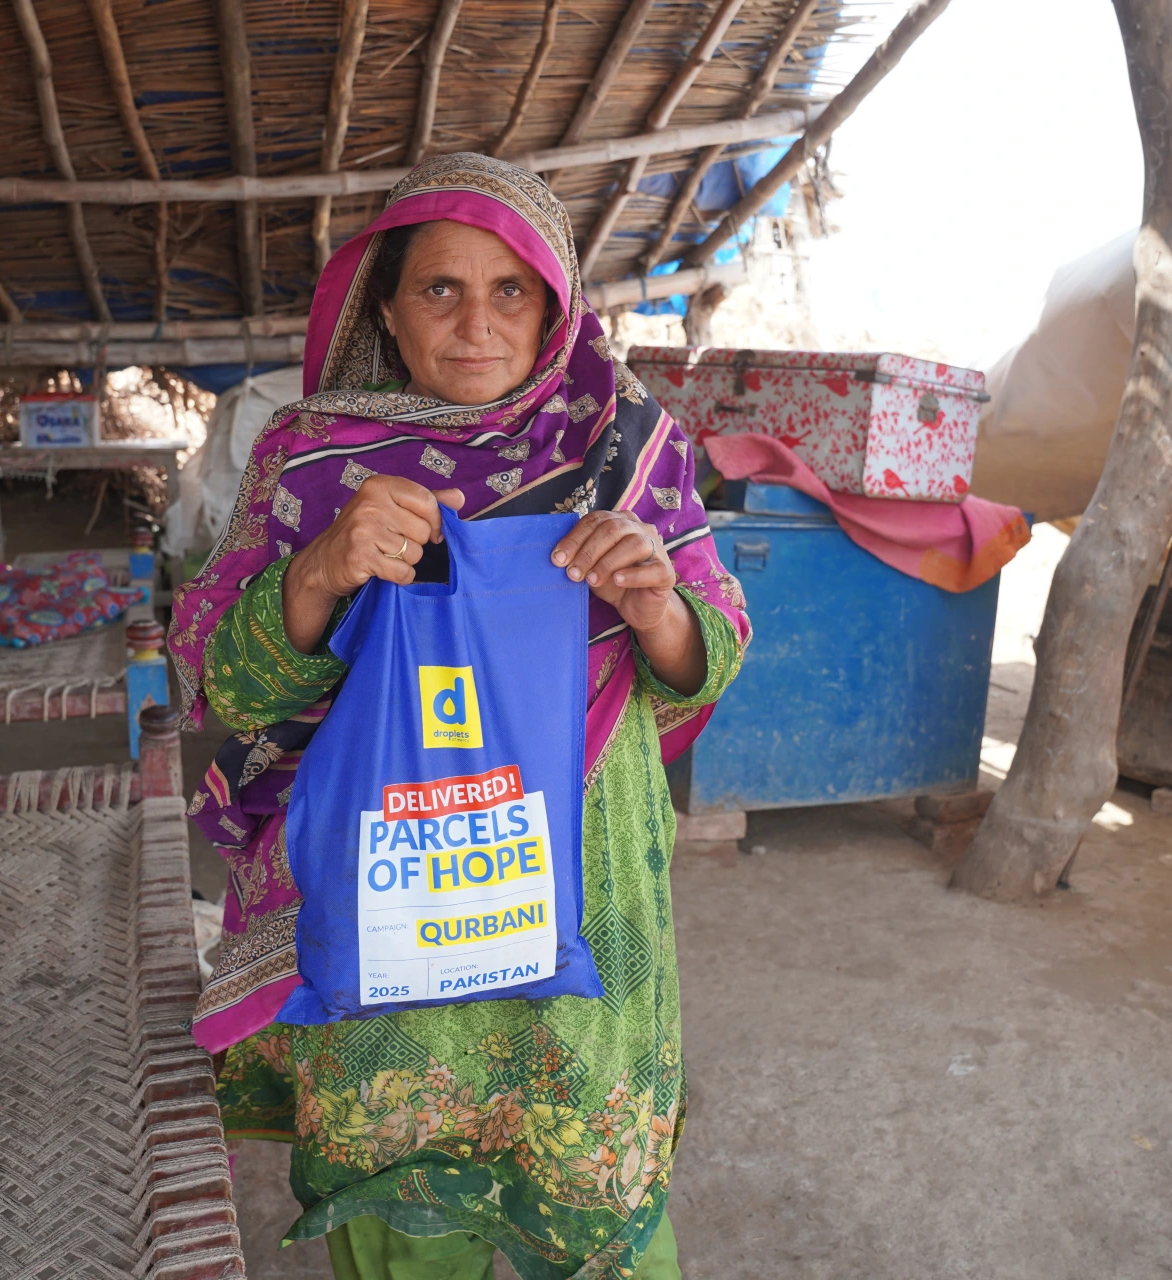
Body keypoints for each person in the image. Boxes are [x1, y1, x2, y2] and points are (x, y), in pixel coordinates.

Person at [167, 153, 750, 1280]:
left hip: (584, 898)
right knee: (402, 1223)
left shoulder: (626, 446)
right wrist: (320, 573)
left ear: (555, 303)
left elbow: (710, 652)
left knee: (596, 1203)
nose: (477, 322)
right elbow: (221, 681)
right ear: (385, 307)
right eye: (440, 288)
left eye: (510, 290)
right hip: (390, 899)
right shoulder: (310, 462)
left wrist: (656, 604)